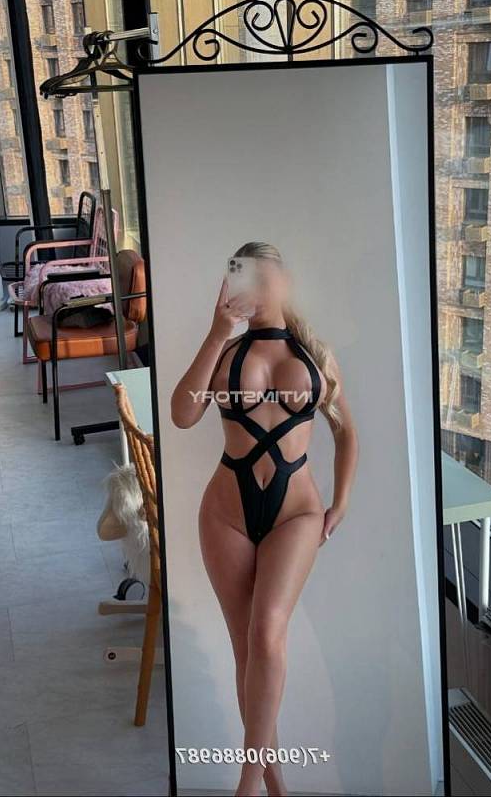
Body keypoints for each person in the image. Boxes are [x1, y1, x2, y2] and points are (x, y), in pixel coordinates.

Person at [171, 242, 358, 796]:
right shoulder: (226, 352)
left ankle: (246, 785)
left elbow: (346, 430)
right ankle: (275, 786)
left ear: (284, 278)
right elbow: (182, 415)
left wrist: (342, 500)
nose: (250, 284)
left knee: (267, 633)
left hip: (296, 513)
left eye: (260, 274)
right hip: (225, 513)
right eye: (239, 275)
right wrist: (216, 332)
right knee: (245, 650)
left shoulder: (316, 354)